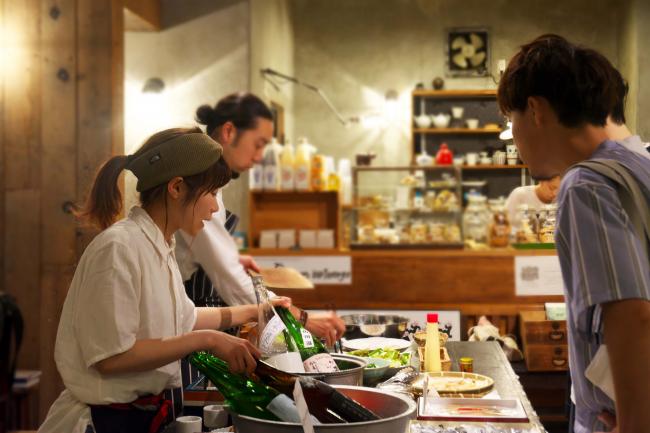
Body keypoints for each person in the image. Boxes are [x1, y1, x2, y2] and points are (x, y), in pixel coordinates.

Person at [38, 128, 290, 433]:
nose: (214, 207)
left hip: (140, 416)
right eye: (211, 193)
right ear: (177, 187)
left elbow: (186, 318)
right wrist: (210, 340)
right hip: (104, 422)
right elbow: (112, 357)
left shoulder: (159, 246)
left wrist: (255, 310)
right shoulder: (119, 248)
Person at [498, 34, 650, 433]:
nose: (514, 135)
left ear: (534, 110)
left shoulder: (587, 183)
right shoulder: (641, 164)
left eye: (510, 120)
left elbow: (632, 313)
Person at [175, 93, 345, 345]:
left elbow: (216, 258)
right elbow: (230, 279)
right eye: (258, 144)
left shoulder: (211, 189)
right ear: (229, 131)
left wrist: (231, 256)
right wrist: (302, 319)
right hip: (190, 330)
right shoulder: (195, 187)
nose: (259, 157)